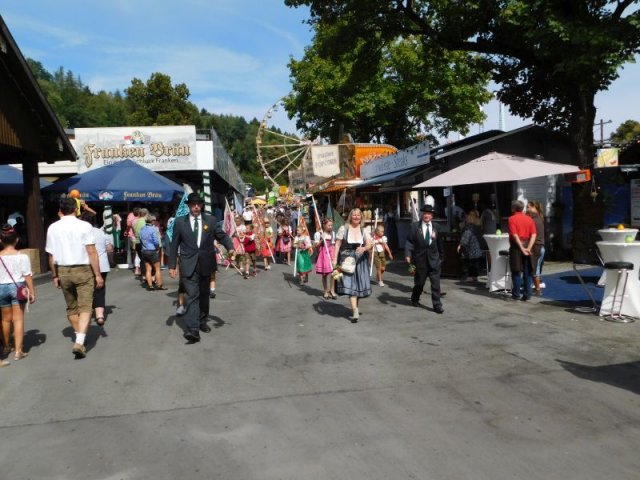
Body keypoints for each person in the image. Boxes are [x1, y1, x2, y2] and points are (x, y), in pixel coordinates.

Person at [168, 193, 234, 344]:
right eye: (193, 204)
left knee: (204, 295)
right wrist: (172, 265)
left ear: (202, 205)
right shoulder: (180, 222)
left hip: (206, 263)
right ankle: (193, 330)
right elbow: (174, 245)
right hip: (188, 264)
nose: (196, 207)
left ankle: (202, 320)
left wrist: (230, 247)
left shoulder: (210, 220)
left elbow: (222, 236)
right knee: (192, 296)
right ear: (189, 206)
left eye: (198, 204)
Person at [46, 198, 104, 359]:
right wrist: (98, 274)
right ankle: (79, 341)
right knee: (85, 307)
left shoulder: (53, 227)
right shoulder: (84, 226)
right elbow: (92, 252)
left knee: (71, 307)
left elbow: (51, 255)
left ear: (61, 210)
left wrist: (54, 275)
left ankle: (79, 337)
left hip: (63, 269)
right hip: (83, 269)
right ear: (76, 209)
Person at [0, 224, 36, 364]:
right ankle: (18, 351)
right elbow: (27, 275)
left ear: (1, 241)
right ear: (17, 240)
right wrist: (32, 292)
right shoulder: (22, 256)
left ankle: (6, 346)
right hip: (17, 287)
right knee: (18, 319)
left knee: (5, 319)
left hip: (1, 287)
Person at [332, 208, 373, 322]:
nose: (356, 217)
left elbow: (369, 244)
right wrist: (334, 259)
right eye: (354, 215)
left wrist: (364, 248)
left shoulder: (364, 230)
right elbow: (337, 244)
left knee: (358, 286)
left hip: (361, 261)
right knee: (350, 285)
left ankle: (355, 307)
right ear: (350, 217)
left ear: (361, 217)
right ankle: (355, 310)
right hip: (347, 260)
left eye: (358, 215)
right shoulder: (343, 229)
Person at [405, 204, 444, 314]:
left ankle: (437, 305)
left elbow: (440, 243)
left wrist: (441, 258)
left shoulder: (437, 227)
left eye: (429, 213)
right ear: (422, 214)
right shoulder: (415, 226)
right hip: (420, 260)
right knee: (419, 283)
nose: (426, 215)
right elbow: (409, 241)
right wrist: (408, 254)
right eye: (425, 213)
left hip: (434, 260)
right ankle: (415, 297)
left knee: (436, 284)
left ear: (432, 215)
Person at [81, 213, 112, 326]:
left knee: (85, 290)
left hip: (86, 264)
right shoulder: (101, 232)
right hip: (102, 265)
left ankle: (85, 315)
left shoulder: (81, 232)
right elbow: (109, 249)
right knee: (100, 290)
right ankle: (100, 316)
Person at [508, 200, 537, 301]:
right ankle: (527, 294)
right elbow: (534, 234)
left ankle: (516, 295)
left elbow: (515, 235)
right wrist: (528, 248)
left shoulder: (512, 219)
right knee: (527, 271)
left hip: (516, 247)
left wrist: (521, 248)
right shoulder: (529, 219)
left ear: (513, 208)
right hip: (527, 244)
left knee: (516, 271)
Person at [140, 214, 165, 291]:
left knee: (148, 269)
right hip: (152, 250)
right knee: (157, 269)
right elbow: (156, 241)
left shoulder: (142, 229)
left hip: (144, 250)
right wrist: (157, 248)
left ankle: (150, 286)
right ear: (152, 221)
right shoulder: (153, 229)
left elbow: (140, 239)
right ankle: (159, 285)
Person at [457, 210, 484, 282]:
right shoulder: (478, 224)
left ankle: (471, 276)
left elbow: (466, 236)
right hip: (477, 247)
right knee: (475, 263)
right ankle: (475, 276)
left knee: (470, 263)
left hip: (470, 247)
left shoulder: (468, 227)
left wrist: (461, 244)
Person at [314, 218, 336, 299]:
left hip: (331, 253)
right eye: (329, 225)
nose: (331, 227)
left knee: (334, 272)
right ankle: (325, 291)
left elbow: (333, 244)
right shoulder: (319, 234)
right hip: (323, 254)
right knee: (325, 274)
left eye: (331, 225)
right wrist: (321, 240)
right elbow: (316, 246)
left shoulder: (333, 233)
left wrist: (335, 256)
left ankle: (332, 290)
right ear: (324, 225)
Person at [527, 200, 546, 295]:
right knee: (536, 267)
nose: (527, 209)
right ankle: (537, 288)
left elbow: (531, 234)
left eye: (529, 207)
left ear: (534, 207)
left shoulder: (533, 220)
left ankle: (538, 289)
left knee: (535, 268)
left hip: (536, 247)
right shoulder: (539, 218)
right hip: (540, 246)